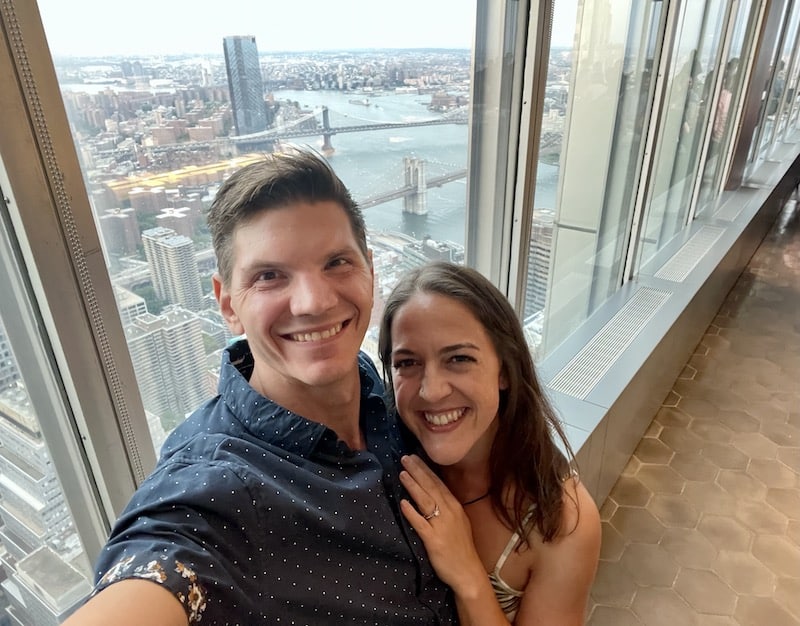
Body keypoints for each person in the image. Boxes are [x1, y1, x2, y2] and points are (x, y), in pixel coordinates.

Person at [63, 149, 457, 625]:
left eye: (337, 262)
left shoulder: (384, 391)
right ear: (228, 304)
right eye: (269, 276)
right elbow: (156, 570)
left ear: (370, 271)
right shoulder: (218, 490)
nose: (314, 302)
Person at [378, 261, 601, 625]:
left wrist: (466, 573)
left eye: (459, 359)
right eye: (408, 362)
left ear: (505, 370)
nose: (431, 390)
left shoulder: (563, 519)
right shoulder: (383, 453)